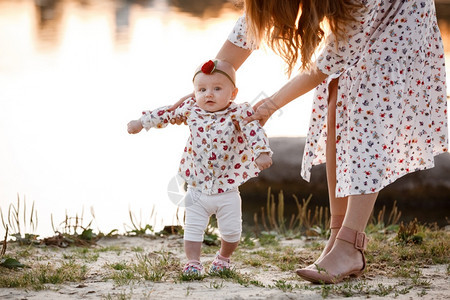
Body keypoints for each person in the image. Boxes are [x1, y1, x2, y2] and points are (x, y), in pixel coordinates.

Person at [170, 0, 448, 283]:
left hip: (400, 14)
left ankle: (351, 245)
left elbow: (325, 66)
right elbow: (245, 34)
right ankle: (338, 236)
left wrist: (271, 105)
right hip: (365, 15)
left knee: (369, 102)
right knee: (336, 94)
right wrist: (204, 89)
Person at [127, 59, 273, 275]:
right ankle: (193, 262)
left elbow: (254, 131)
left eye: (217, 89)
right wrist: (142, 122)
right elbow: (167, 113)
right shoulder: (192, 109)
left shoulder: (238, 113)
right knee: (193, 231)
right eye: (202, 89)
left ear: (233, 93)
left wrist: (262, 152)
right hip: (197, 186)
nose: (209, 94)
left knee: (232, 234)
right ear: (194, 92)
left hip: (227, 188)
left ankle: (223, 257)